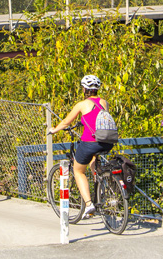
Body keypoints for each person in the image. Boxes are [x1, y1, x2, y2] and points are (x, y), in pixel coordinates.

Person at [46, 74, 110, 218]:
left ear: (85, 89)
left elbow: (65, 123)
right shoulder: (104, 102)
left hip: (90, 142)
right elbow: (100, 120)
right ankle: (99, 185)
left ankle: (88, 204)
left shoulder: (81, 105)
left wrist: (54, 130)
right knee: (93, 159)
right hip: (107, 142)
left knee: (78, 170)